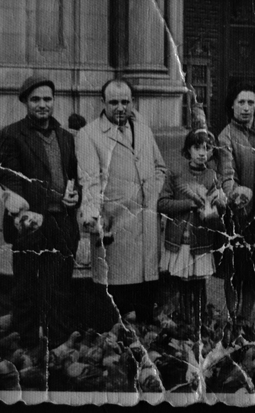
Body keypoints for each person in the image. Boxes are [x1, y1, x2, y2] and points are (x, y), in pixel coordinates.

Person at [0, 75, 80, 349]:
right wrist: (22, 210)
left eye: (47, 99)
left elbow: (74, 176)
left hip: (62, 223)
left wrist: (74, 195)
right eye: (36, 99)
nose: (43, 105)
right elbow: (9, 178)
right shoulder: (10, 135)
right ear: (24, 102)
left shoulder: (66, 137)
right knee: (26, 288)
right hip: (29, 224)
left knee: (59, 288)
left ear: (54, 101)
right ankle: (27, 347)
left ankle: (59, 347)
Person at [76, 78, 167, 331]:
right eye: (114, 102)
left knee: (147, 298)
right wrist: (94, 219)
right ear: (102, 102)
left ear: (133, 102)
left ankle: (148, 350)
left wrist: (153, 195)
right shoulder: (89, 135)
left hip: (147, 224)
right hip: (116, 226)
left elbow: (160, 168)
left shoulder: (144, 130)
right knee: (117, 302)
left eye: (125, 102)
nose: (120, 107)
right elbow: (90, 182)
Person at [157, 129, 226, 334]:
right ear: (188, 150)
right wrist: (188, 204)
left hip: (201, 240)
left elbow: (220, 209)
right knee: (182, 284)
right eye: (197, 148)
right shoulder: (176, 173)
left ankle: (199, 322)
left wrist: (218, 206)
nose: (202, 153)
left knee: (199, 284)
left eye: (207, 148)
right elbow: (162, 203)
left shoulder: (213, 177)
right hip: (180, 240)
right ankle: (185, 322)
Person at [217, 82, 255, 327]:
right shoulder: (226, 136)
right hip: (237, 215)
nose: (246, 108)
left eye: (251, 102)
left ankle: (245, 318)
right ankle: (231, 315)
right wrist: (238, 205)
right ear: (232, 105)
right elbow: (227, 175)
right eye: (241, 102)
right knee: (234, 270)